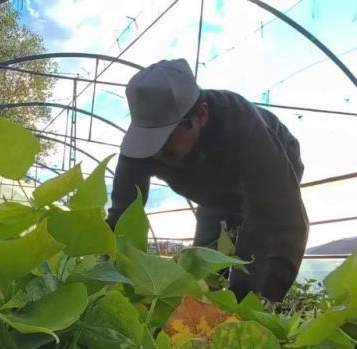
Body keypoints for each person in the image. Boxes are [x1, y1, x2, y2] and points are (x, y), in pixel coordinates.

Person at [107, 58, 309, 303]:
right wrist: (108, 276)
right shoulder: (141, 148)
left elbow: (282, 222)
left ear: (201, 114)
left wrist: (256, 302)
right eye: (149, 141)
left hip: (268, 170)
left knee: (253, 264)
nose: (156, 152)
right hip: (211, 192)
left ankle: (244, 308)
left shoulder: (244, 129)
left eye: (165, 139)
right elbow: (123, 215)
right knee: (204, 258)